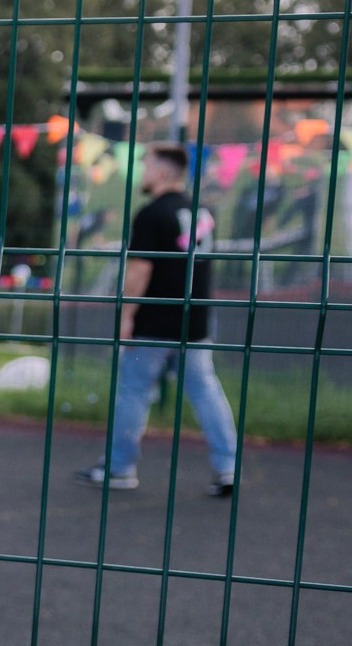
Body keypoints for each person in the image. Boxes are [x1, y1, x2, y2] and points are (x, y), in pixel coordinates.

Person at [78, 141, 239, 497]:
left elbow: (139, 271)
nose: (144, 173)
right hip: (195, 321)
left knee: (133, 390)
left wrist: (126, 316)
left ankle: (119, 468)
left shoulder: (151, 214)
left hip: (154, 321)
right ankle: (228, 467)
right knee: (206, 391)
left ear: (164, 172)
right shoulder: (203, 212)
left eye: (148, 165)